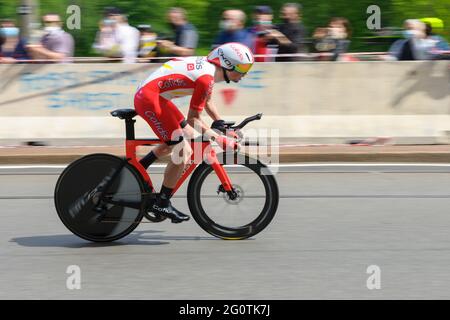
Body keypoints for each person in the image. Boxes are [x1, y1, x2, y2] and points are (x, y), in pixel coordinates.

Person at [134, 43, 254, 222]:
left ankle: (137, 170)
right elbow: (193, 119)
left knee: (185, 138)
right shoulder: (206, 77)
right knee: (184, 150)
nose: (245, 74)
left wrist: (221, 125)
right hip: (150, 99)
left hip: (158, 98)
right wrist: (219, 139)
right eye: (243, 68)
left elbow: (207, 102)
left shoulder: (209, 71)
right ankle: (162, 202)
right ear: (227, 63)